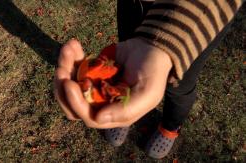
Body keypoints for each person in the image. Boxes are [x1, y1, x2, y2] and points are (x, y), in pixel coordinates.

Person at [54, 0, 244, 159]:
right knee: (130, 55)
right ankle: (123, 110)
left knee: (181, 86)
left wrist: (167, 38)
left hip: (201, 19)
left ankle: (170, 126)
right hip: (134, 3)